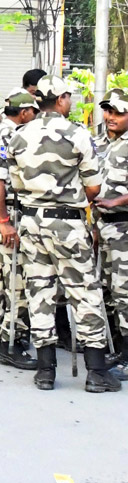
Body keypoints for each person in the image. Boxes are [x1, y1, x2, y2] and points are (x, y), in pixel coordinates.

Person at [2, 76, 118, 392]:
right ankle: (96, 372)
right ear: (62, 98)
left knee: (39, 293)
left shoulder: (19, 136)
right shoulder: (77, 134)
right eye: (71, 97)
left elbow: (16, 184)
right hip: (68, 225)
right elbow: (94, 187)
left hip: (31, 224)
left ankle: (45, 371)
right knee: (84, 291)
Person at [0, 91, 38, 369]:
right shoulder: (8, 135)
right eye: (33, 112)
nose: (35, 117)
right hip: (6, 211)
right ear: (24, 112)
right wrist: (4, 220)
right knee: (15, 279)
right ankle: (9, 344)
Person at [94, 89, 128, 373]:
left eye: (118, 113)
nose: (110, 117)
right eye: (108, 111)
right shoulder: (104, 143)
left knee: (125, 292)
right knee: (108, 291)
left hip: (125, 226)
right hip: (106, 227)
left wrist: (116, 201)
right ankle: (118, 347)